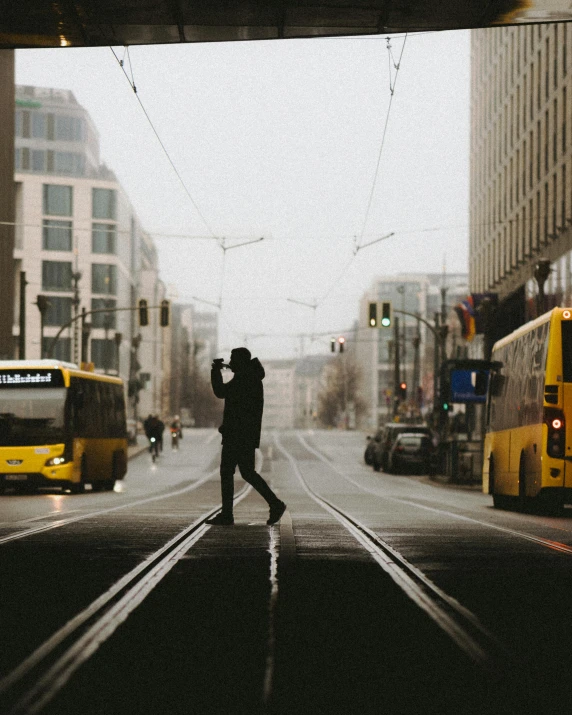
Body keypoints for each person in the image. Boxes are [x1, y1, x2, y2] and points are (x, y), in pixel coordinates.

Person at [207, 347, 286, 526]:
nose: (231, 363)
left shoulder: (244, 379)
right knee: (247, 472)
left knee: (228, 472)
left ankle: (229, 514)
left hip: (237, 435)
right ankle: (274, 504)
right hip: (245, 435)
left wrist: (215, 371)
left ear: (241, 362)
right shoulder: (251, 377)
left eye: (233, 359)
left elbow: (220, 392)